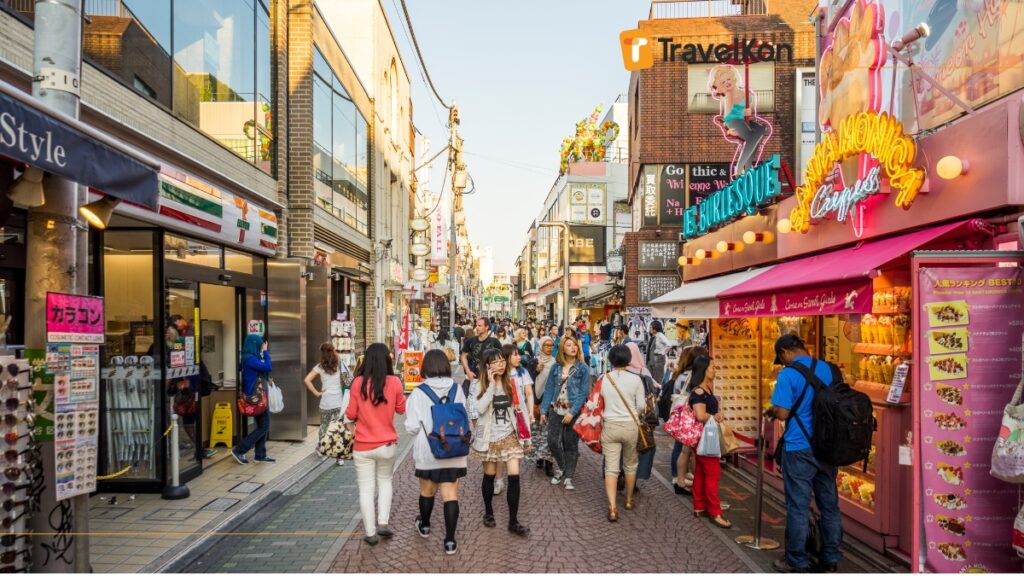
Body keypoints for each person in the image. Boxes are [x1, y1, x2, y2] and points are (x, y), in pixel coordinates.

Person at [765, 334, 842, 573]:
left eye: (782, 358)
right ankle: (830, 557)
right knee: (829, 505)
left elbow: (783, 413)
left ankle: (797, 560)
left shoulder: (787, 374)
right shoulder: (830, 369)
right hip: (828, 447)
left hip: (799, 447)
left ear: (785, 352)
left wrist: (773, 410)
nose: (783, 362)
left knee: (798, 506)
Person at [404, 350, 467, 555]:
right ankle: (450, 541)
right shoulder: (457, 389)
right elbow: (463, 417)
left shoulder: (418, 392)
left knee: (427, 492)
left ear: (426, 367)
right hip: (454, 448)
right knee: (450, 495)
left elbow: (412, 427)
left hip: (429, 450)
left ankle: (425, 525)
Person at [345, 343, 407, 546]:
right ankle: (383, 523)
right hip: (387, 443)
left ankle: (370, 532)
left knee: (365, 488)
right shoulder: (395, 382)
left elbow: (351, 414)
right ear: (387, 360)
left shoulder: (357, 383)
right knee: (385, 482)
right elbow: (400, 410)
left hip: (363, 445)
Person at [472, 348, 530, 536]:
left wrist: (526, 436)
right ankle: (488, 512)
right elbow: (479, 409)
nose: (501, 364)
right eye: (496, 362)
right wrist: (490, 385)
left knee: (514, 475)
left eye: (502, 361)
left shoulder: (511, 383)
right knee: (489, 475)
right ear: (487, 366)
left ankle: (513, 520)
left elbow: (521, 410)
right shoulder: (478, 384)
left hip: (509, 436)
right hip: (488, 438)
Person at [599, 344, 647, 522]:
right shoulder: (636, 380)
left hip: (610, 425)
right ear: (628, 359)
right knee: (630, 465)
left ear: (611, 359)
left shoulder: (604, 378)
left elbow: (598, 403)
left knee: (611, 467)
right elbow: (641, 406)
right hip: (630, 426)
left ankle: (612, 508)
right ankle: (628, 499)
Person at [539, 337, 590, 490]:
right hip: (556, 409)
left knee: (570, 444)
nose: (573, 347)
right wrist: (543, 410)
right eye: (569, 345)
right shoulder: (556, 367)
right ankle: (562, 468)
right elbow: (549, 389)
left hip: (573, 411)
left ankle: (569, 476)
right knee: (552, 441)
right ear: (562, 348)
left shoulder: (583, 368)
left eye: (575, 345)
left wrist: (573, 412)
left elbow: (583, 393)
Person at [687, 355, 731, 529]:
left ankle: (699, 506)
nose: (715, 369)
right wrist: (716, 416)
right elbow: (700, 415)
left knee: (701, 473)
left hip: (705, 437)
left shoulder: (706, 388)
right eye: (712, 367)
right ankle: (715, 512)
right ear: (704, 370)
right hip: (706, 439)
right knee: (713, 473)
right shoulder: (699, 392)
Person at [664, 346, 710, 494]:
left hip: (682, 416)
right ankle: (678, 478)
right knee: (683, 449)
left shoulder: (681, 374)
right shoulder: (692, 377)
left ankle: (679, 476)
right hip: (689, 417)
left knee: (682, 448)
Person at [304, 341, 352, 465]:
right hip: (338, 402)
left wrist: (317, 393)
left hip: (325, 402)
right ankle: (339, 457)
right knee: (338, 428)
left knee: (324, 426)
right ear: (333, 351)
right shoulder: (339, 363)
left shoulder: (320, 367)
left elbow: (307, 380)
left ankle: (321, 450)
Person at [232, 335, 274, 465]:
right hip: (256, 398)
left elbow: (263, 370)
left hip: (259, 397)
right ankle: (239, 449)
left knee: (263, 425)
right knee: (264, 426)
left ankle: (260, 455)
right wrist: (266, 352)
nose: (261, 347)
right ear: (254, 344)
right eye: (260, 345)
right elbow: (268, 366)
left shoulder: (250, 358)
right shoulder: (249, 359)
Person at [528, 336, 557, 476]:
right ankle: (538, 457)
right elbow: (528, 382)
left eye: (551, 345)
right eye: (546, 345)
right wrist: (536, 371)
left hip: (550, 400)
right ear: (541, 346)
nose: (549, 347)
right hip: (535, 399)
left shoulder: (556, 362)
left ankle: (549, 462)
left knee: (549, 433)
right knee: (537, 431)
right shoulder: (534, 361)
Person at [461, 318, 503, 411]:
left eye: (480, 325)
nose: (477, 327)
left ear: (487, 327)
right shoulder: (471, 341)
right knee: (473, 409)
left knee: (490, 407)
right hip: (475, 379)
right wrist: (468, 371)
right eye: (476, 325)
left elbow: (502, 359)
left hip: (491, 379)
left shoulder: (494, 342)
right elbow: (463, 356)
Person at [646, 320, 672, 387]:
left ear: (655, 328)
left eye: (651, 327)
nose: (650, 329)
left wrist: (663, 352)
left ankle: (657, 395)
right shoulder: (654, 336)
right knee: (653, 379)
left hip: (658, 359)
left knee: (657, 380)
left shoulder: (660, 335)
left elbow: (669, 345)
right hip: (653, 360)